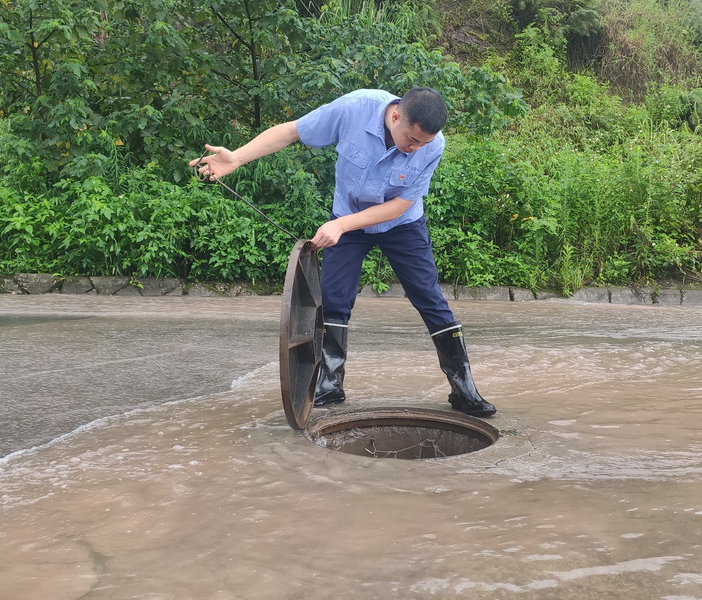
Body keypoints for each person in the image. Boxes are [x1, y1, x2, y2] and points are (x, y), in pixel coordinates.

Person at [190, 87, 496, 418]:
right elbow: (293, 131)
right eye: (411, 139)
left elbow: (400, 205)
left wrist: (343, 225)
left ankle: (463, 388)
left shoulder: (433, 146)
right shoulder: (353, 109)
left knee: (429, 297)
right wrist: (237, 157)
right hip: (346, 219)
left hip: (401, 224)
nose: (415, 148)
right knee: (335, 299)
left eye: (422, 143)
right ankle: (329, 386)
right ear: (395, 116)